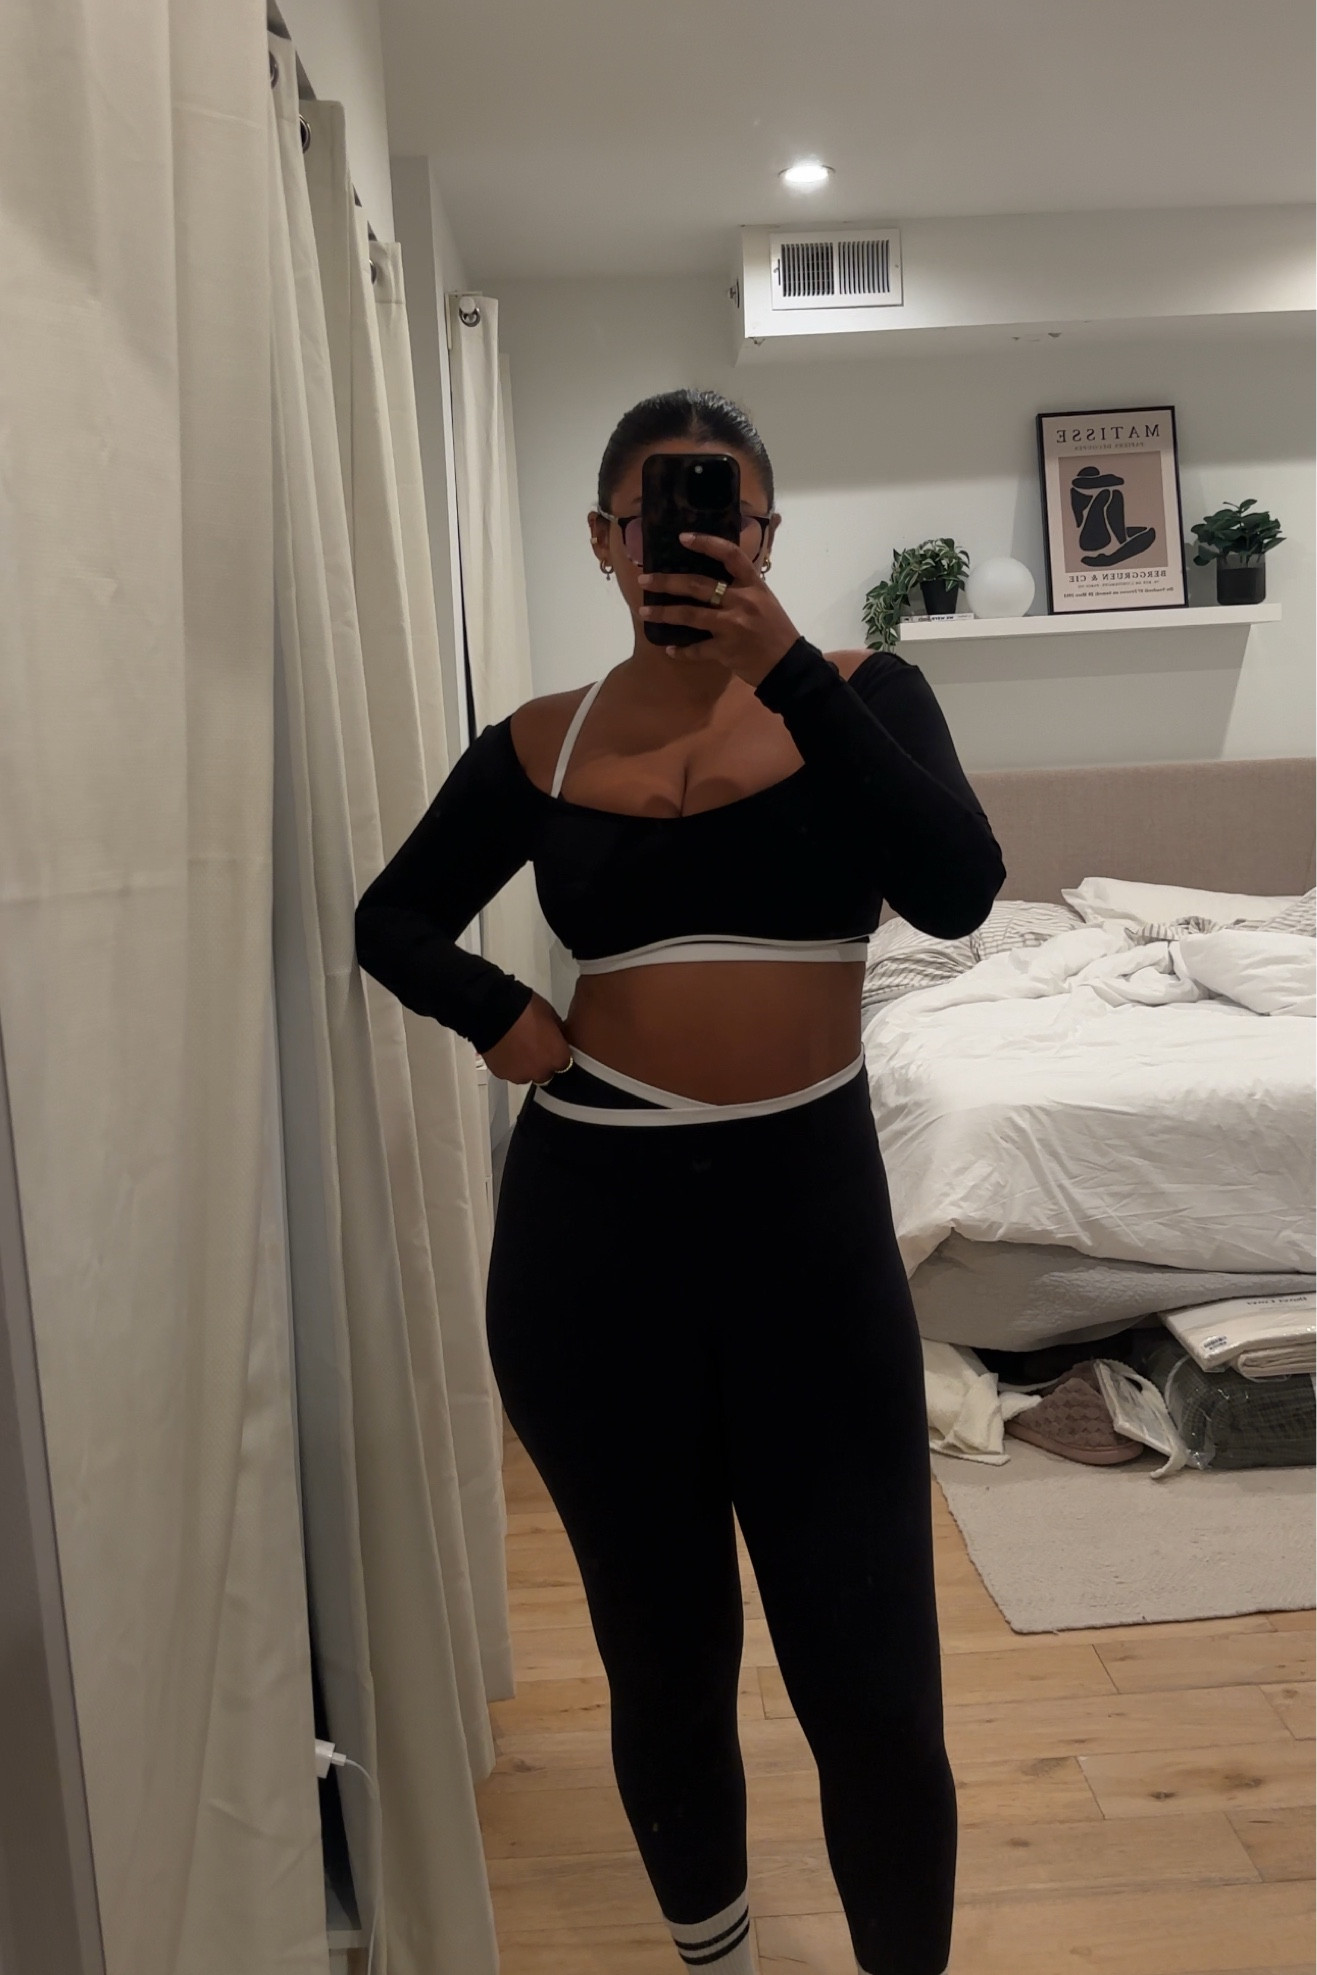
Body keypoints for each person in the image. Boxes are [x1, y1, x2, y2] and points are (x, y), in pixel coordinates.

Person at [355, 388, 1006, 1975]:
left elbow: (955, 889)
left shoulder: (862, 692)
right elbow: (392, 919)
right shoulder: (539, 741)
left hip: (808, 1237)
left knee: (871, 1680)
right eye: (657, 515)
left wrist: (780, 664)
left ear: (766, 536)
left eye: (729, 516)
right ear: (604, 540)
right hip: (592, 1245)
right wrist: (497, 1012)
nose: (694, 540)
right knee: (663, 1664)